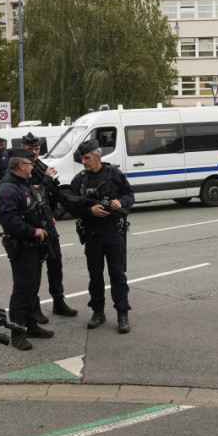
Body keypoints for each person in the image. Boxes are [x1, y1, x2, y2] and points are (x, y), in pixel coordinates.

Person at [67, 139, 135, 334]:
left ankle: (122, 313)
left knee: (117, 275)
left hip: (114, 234)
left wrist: (120, 203)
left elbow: (130, 195)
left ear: (98, 157)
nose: (84, 162)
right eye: (82, 158)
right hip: (92, 236)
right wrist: (90, 211)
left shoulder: (115, 174)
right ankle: (98, 312)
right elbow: (70, 205)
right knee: (95, 277)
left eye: (87, 158)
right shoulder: (79, 180)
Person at [0, 148, 56, 350]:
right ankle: (17, 332)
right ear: (21, 165)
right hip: (22, 247)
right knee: (22, 291)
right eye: (30, 164)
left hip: (34, 248)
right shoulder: (8, 189)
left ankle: (31, 325)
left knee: (31, 288)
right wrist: (33, 231)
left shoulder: (22, 184)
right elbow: (8, 220)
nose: (33, 167)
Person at [21, 132, 78, 322]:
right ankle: (33, 307)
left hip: (47, 221)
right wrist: (46, 179)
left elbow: (50, 193)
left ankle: (58, 301)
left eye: (37, 149)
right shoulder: (21, 167)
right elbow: (33, 194)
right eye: (31, 149)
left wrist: (54, 212)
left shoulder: (40, 165)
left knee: (56, 263)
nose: (35, 153)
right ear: (23, 148)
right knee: (33, 270)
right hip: (32, 225)